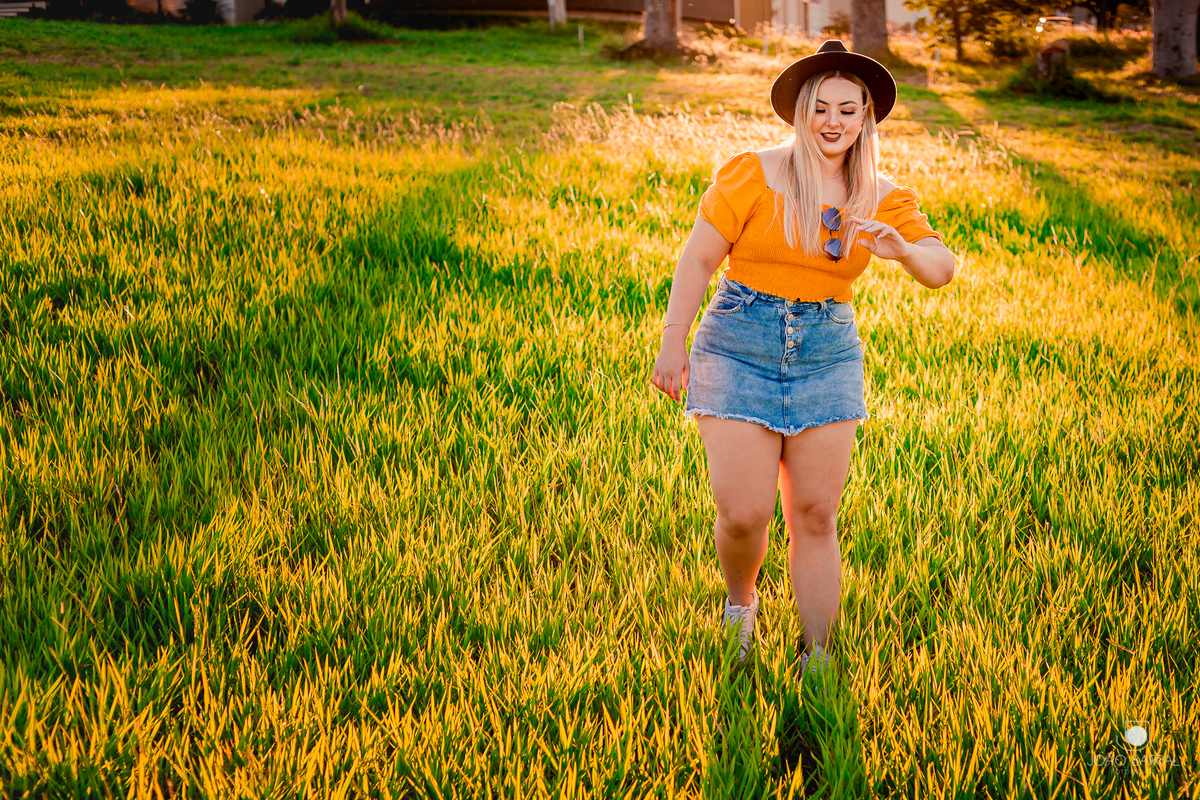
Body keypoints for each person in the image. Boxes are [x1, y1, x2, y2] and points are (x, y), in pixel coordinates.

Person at [650, 40, 956, 677]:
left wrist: (901, 248)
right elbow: (699, 257)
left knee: (815, 513)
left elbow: (941, 269)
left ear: (867, 115)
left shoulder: (880, 193)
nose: (834, 122)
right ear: (800, 112)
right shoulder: (754, 172)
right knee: (743, 512)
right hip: (739, 340)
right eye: (821, 108)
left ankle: (816, 662)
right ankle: (741, 608)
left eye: (850, 109)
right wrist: (673, 340)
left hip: (826, 350)